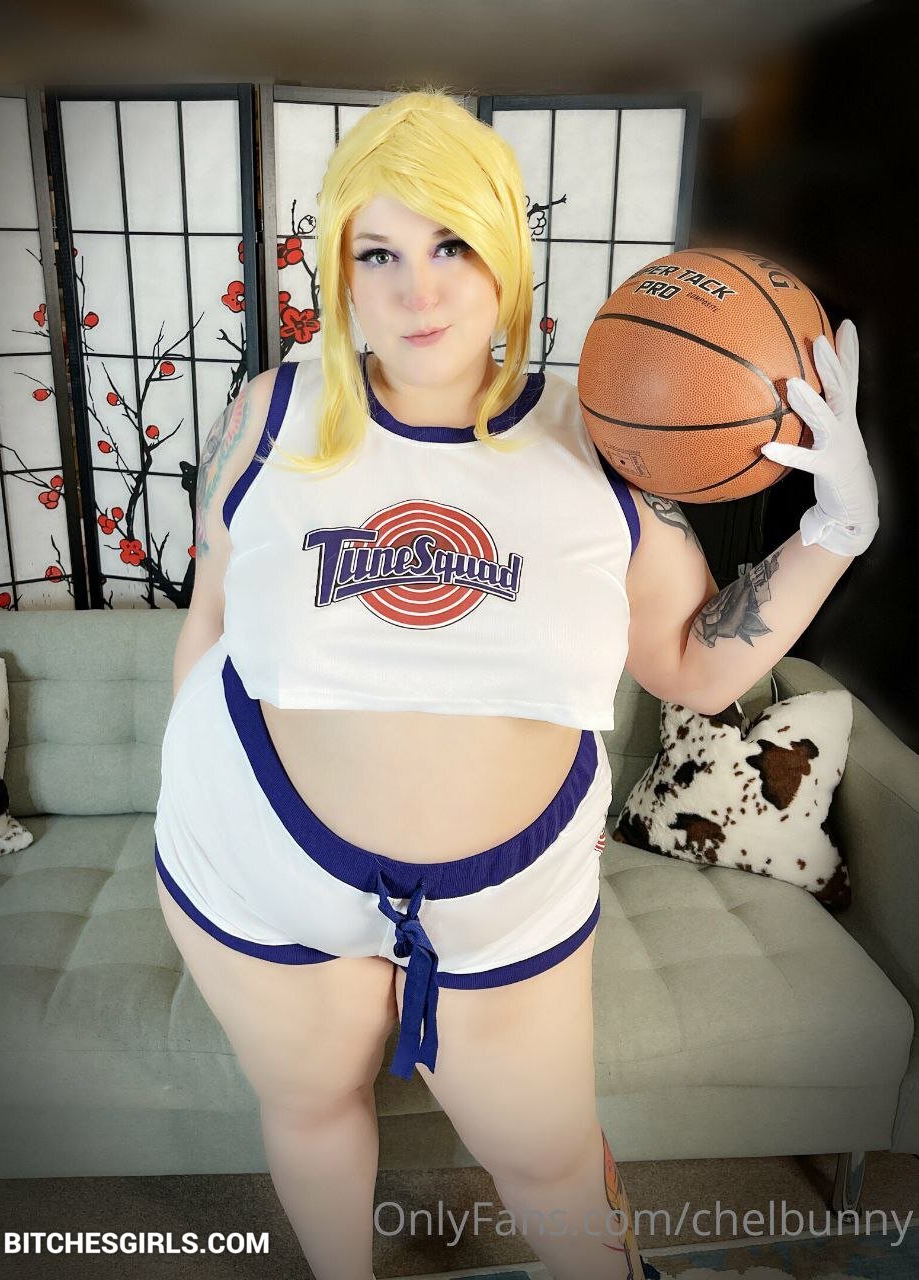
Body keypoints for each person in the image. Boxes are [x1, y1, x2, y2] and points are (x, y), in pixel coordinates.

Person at [152, 88, 879, 1280]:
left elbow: (694, 664)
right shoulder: (267, 415)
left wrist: (834, 527)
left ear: (504, 254)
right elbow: (211, 618)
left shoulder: (600, 448)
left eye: (449, 245)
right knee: (311, 1107)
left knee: (549, 1163)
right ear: (338, 272)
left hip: (505, 894)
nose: (416, 290)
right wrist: (191, 785)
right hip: (261, 860)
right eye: (377, 253)